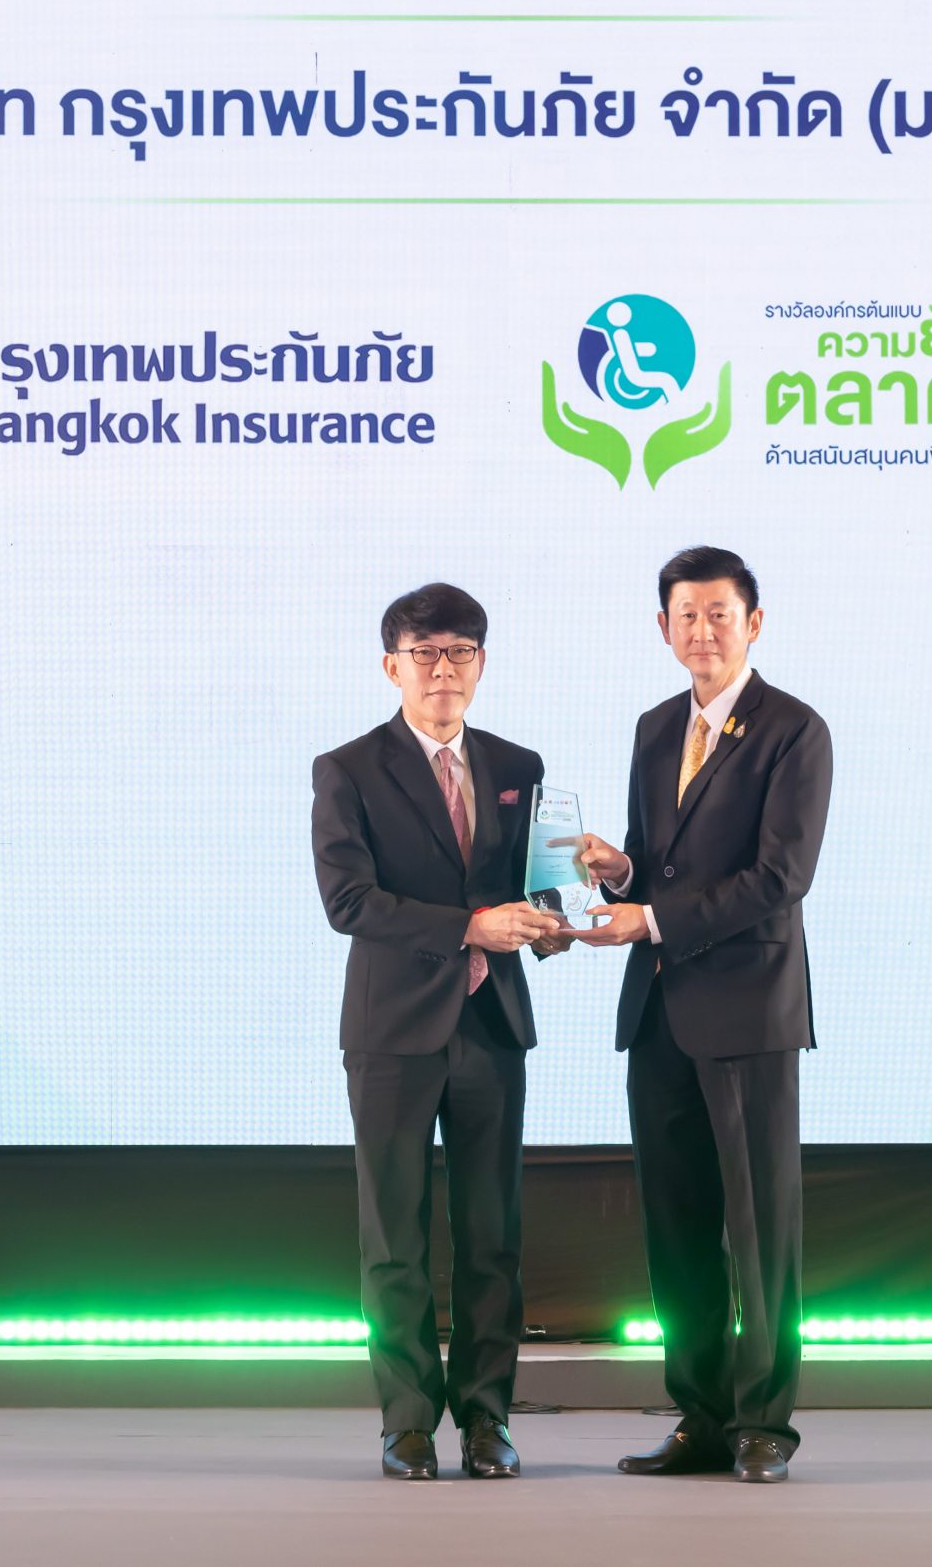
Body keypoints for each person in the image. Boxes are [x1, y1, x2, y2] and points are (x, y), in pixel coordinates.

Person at [570, 546, 833, 1484]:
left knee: (761, 1231)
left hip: (750, 1010)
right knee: (675, 1226)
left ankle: (766, 1423)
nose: (703, 630)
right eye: (686, 614)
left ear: (753, 623)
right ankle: (702, 1417)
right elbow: (661, 862)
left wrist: (652, 916)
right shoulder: (654, 728)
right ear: (664, 627)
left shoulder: (794, 729)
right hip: (659, 1011)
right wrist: (622, 873)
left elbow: (779, 877)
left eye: (720, 613)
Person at [311, 583, 567, 1482]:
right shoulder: (347, 769)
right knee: (396, 1236)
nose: (442, 669)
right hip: (392, 1031)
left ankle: (488, 1418)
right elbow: (349, 901)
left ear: (481, 664)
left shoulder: (519, 764)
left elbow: (538, 888)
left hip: (492, 1025)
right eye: (424, 653)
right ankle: (409, 1420)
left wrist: (561, 914)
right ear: (393, 666)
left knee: (492, 1234)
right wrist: (470, 926)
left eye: (460, 652)